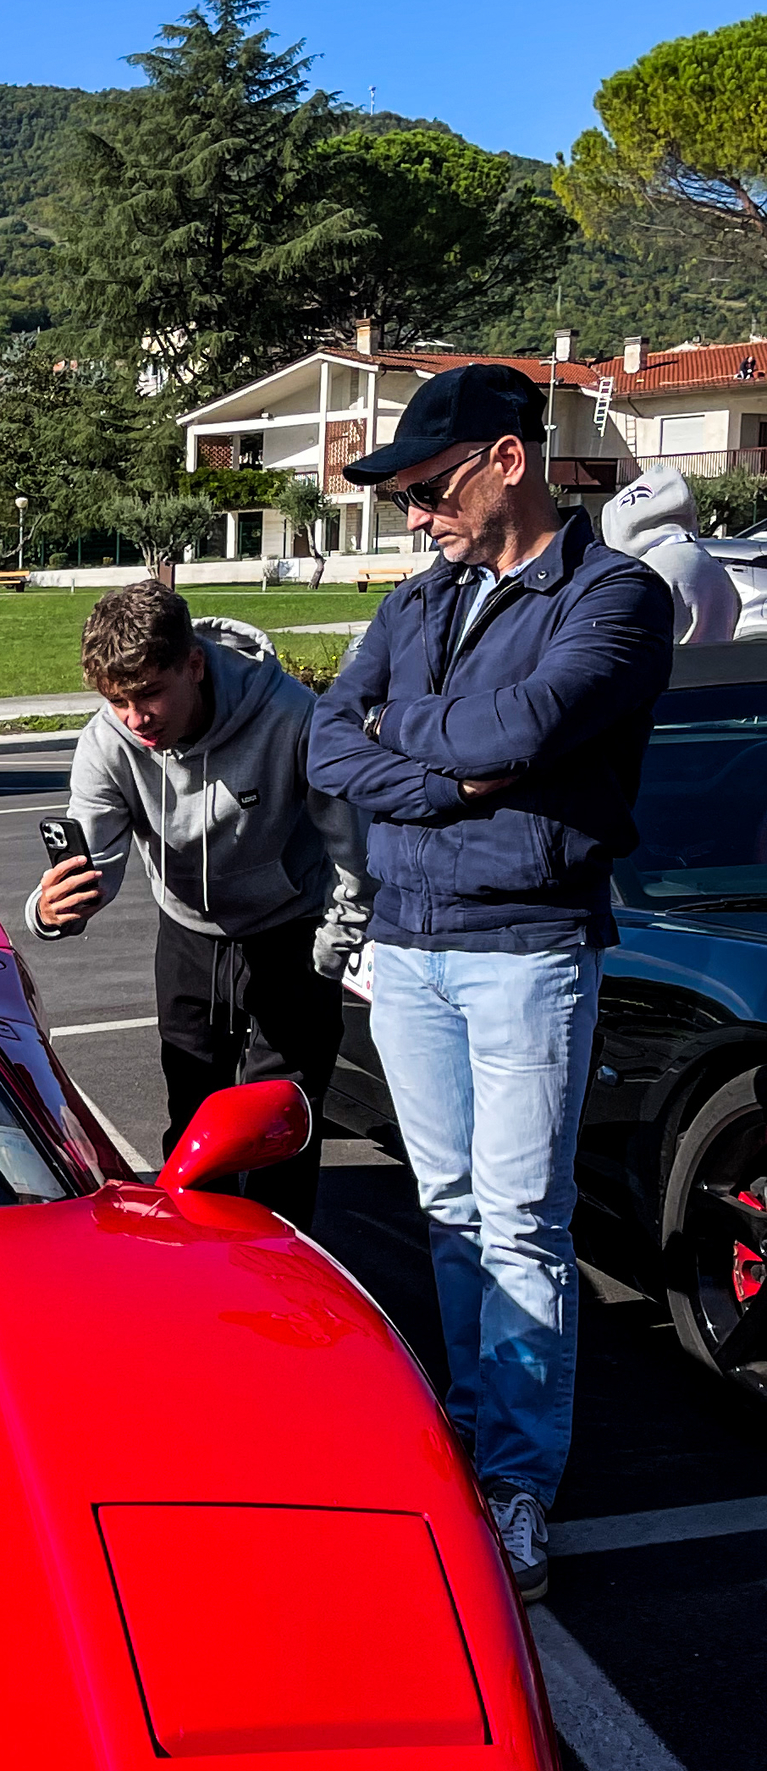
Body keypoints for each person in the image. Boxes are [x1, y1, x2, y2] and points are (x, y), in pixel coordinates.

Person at [308, 362, 673, 1602]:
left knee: (521, 1224)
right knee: (451, 1211)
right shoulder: (422, 601)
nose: (413, 515)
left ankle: (517, 1484)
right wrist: (447, 781)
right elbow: (324, 739)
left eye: (427, 487)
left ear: (508, 459)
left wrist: (411, 755)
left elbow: (513, 737)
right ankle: (468, 1439)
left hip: (525, 947)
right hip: (406, 944)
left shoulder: (614, 599)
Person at [27, 579, 369, 1227]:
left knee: (280, 1128)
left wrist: (331, 951)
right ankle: (196, 1278)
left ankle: (281, 1286)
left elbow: (356, 854)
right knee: (191, 1123)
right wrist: (51, 911)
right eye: (118, 700)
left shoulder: (292, 716)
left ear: (193, 664)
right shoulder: (109, 740)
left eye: (150, 694)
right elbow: (91, 863)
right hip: (186, 931)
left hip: (289, 930)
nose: (135, 718)